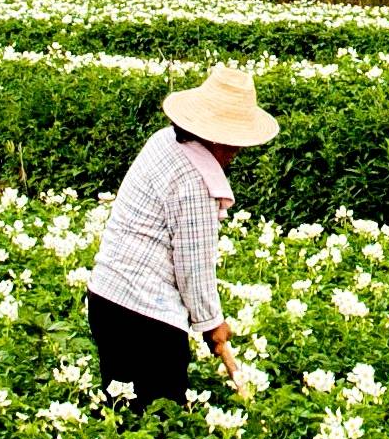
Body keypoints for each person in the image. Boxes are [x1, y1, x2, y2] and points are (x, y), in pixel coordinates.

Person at [83, 67, 272, 404]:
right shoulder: (196, 181)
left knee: (123, 411)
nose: (237, 152)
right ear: (216, 136)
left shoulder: (164, 140)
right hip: (145, 320)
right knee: (162, 419)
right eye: (233, 142)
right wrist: (212, 323)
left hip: (106, 301)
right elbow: (193, 268)